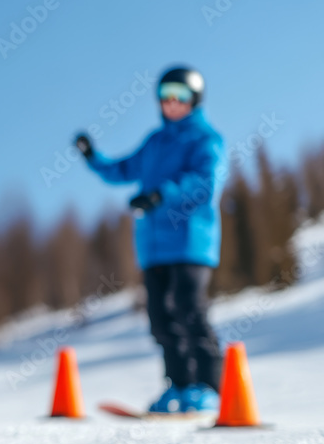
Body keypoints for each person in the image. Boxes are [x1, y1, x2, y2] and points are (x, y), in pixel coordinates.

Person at [74, 66, 226, 413]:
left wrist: (160, 196)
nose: (172, 102)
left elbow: (205, 184)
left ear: (195, 99)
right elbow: (123, 169)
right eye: (165, 95)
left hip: (190, 243)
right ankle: (180, 385)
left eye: (181, 95)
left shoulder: (206, 139)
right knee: (160, 318)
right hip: (153, 249)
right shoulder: (155, 143)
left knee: (190, 312)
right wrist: (92, 157)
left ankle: (211, 387)